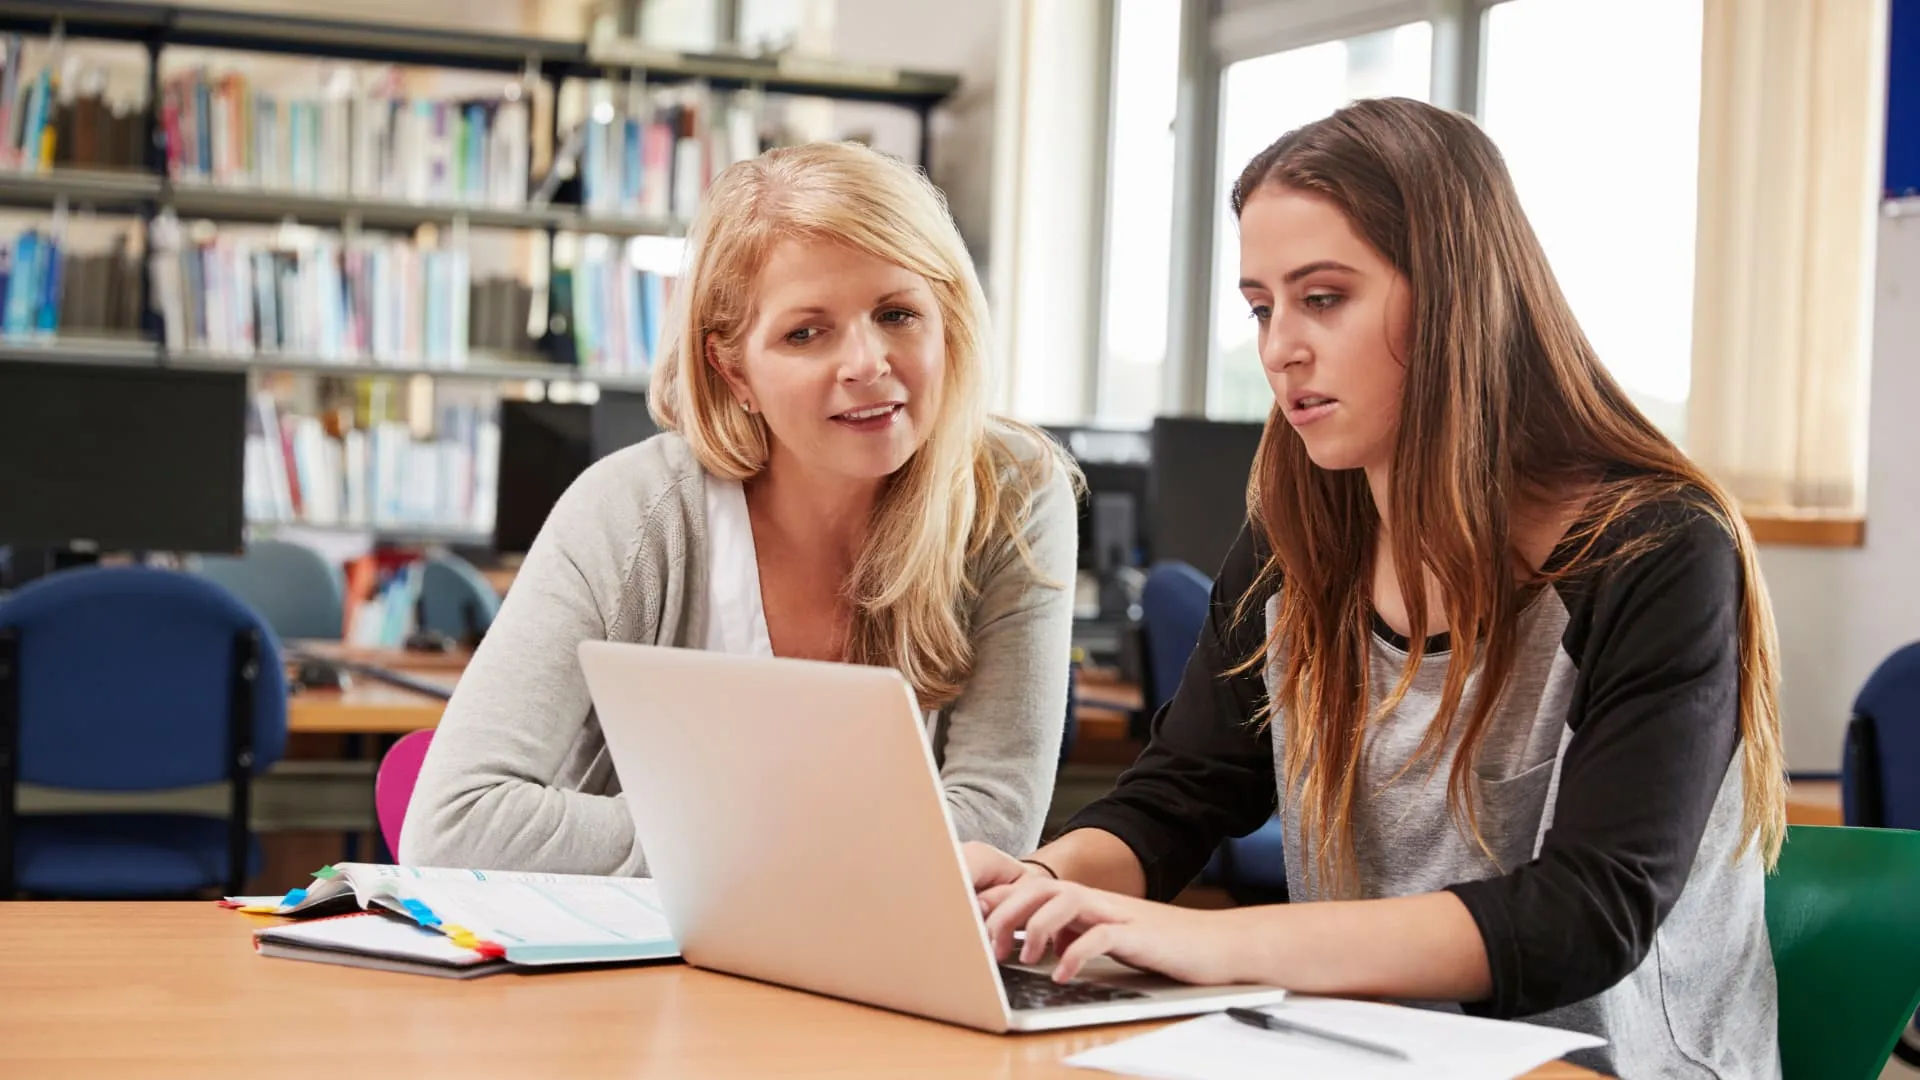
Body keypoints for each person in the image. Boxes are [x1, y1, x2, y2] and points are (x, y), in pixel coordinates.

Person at [965, 97, 1786, 1079]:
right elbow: (1184, 792)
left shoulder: (1653, 551)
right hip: (1369, 1053)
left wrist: (1208, 945)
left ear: (1453, 296)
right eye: (1263, 307)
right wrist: (1033, 885)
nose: (1278, 349)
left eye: (1323, 298)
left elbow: (1584, 917)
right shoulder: (1300, 534)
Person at [403, 141, 1080, 874]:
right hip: (633, 962)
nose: (866, 363)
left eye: (897, 313)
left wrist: (719, 836)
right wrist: (792, 840)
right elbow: (455, 825)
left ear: (946, 321)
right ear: (733, 368)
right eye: (805, 332)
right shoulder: (630, 511)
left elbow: (993, 824)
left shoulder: (1012, 494)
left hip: (873, 967)